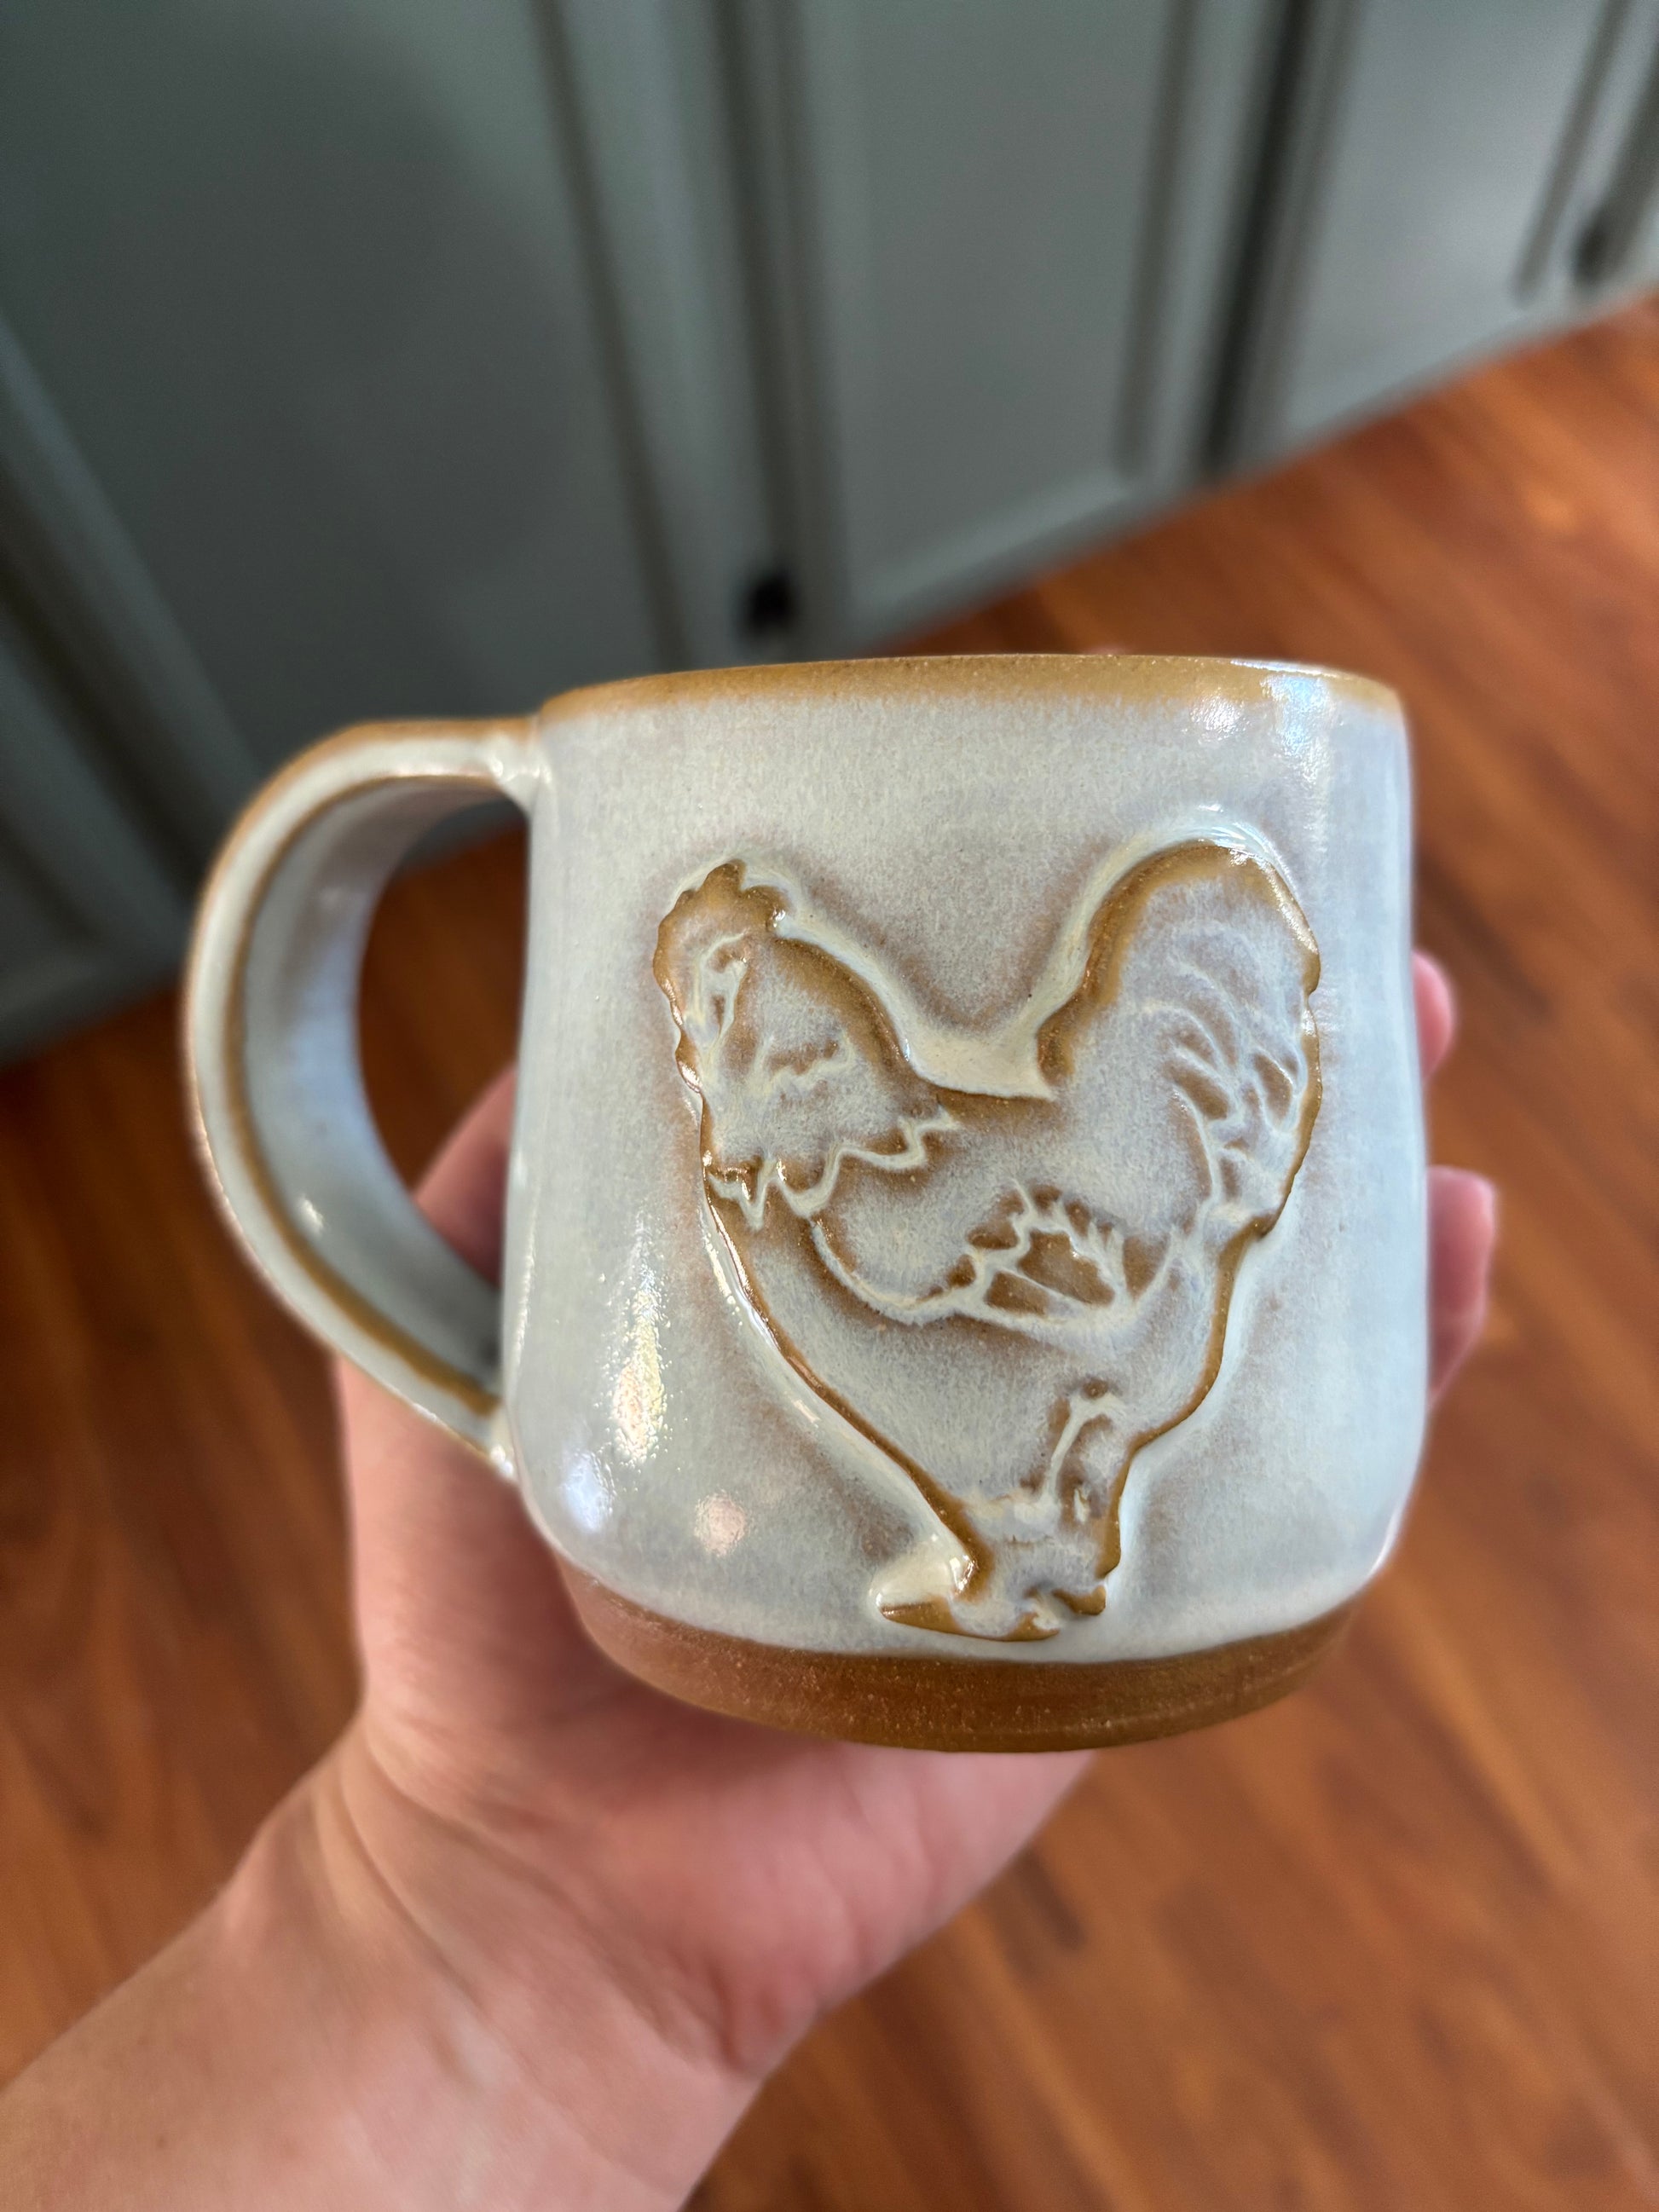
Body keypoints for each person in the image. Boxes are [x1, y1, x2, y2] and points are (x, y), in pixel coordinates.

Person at [3, 955, 1494, 2210]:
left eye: (755, 1034)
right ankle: (1037, 1537)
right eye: (717, 1034)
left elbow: (1095, 1311)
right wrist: (475, 1882)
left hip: (1132, 1307)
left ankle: (1043, 1533)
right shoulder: (805, 1189)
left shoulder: (875, 1205)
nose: (724, 1061)